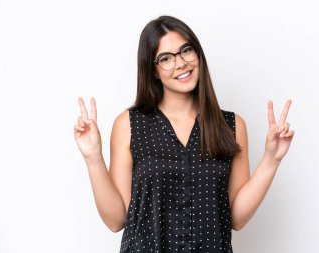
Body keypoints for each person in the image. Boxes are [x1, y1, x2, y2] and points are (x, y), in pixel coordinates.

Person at [74, 15, 294, 253]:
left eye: (186, 51)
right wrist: (93, 158)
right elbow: (116, 220)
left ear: (197, 54)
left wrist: (272, 159)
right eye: (166, 58)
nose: (180, 63)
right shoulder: (129, 125)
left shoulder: (231, 125)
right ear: (154, 71)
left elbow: (237, 218)